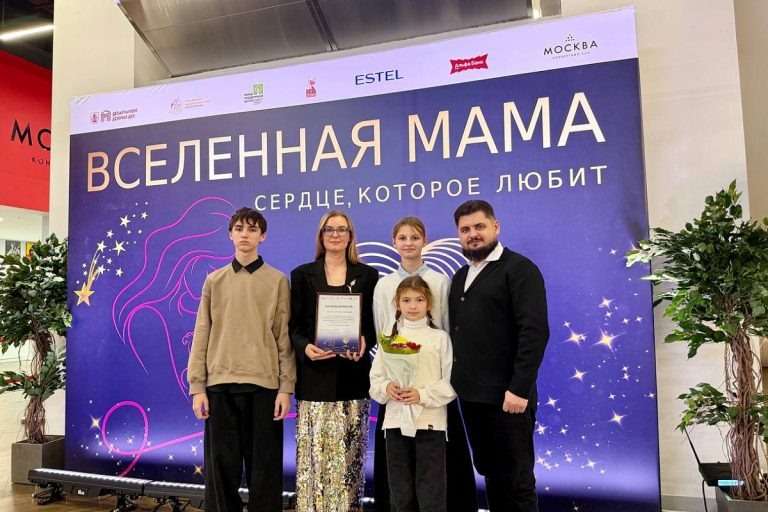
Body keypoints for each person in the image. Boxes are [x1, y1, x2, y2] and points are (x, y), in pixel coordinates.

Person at [187, 207, 296, 512]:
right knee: (220, 469)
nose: (245, 235)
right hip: (219, 386)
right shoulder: (214, 281)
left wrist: (286, 388)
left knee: (265, 470)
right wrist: (197, 387)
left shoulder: (277, 281)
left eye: (252, 229)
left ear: (263, 236)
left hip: (264, 387)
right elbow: (201, 334)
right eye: (239, 229)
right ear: (230, 234)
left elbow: (284, 337)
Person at [448, 200, 549, 512]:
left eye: (479, 226)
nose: (473, 234)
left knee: (517, 482)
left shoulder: (519, 270)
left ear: (496, 226)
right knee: (491, 475)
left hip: (509, 399)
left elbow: (534, 332)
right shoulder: (460, 276)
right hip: (472, 398)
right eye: (465, 229)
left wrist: (519, 388)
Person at [372, 217, 477, 512]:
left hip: (432, 392)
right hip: (397, 398)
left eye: (415, 237)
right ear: (394, 242)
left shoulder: (440, 282)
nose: (408, 243)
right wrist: (390, 384)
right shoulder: (384, 286)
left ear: (425, 241)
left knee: (433, 478)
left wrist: (426, 388)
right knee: (399, 482)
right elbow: (383, 332)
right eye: (402, 238)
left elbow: (445, 329)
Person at [289, 210, 379, 512]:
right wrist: (306, 348)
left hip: (353, 379)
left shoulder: (368, 275)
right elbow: (294, 327)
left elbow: (373, 325)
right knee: (314, 463)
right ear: (321, 235)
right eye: (329, 229)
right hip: (314, 379)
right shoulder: (302, 275)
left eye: (342, 229)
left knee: (349, 464)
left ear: (351, 236)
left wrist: (365, 341)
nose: (336, 234)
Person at [370, 276, 456, 512]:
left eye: (419, 300)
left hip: (430, 423)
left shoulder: (440, 338)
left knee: (431, 492)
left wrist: (422, 395)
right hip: (396, 422)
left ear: (429, 303)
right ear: (397, 304)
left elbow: (451, 383)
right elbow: (375, 379)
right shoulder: (390, 338)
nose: (413, 306)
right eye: (406, 300)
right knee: (400, 493)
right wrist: (386, 387)